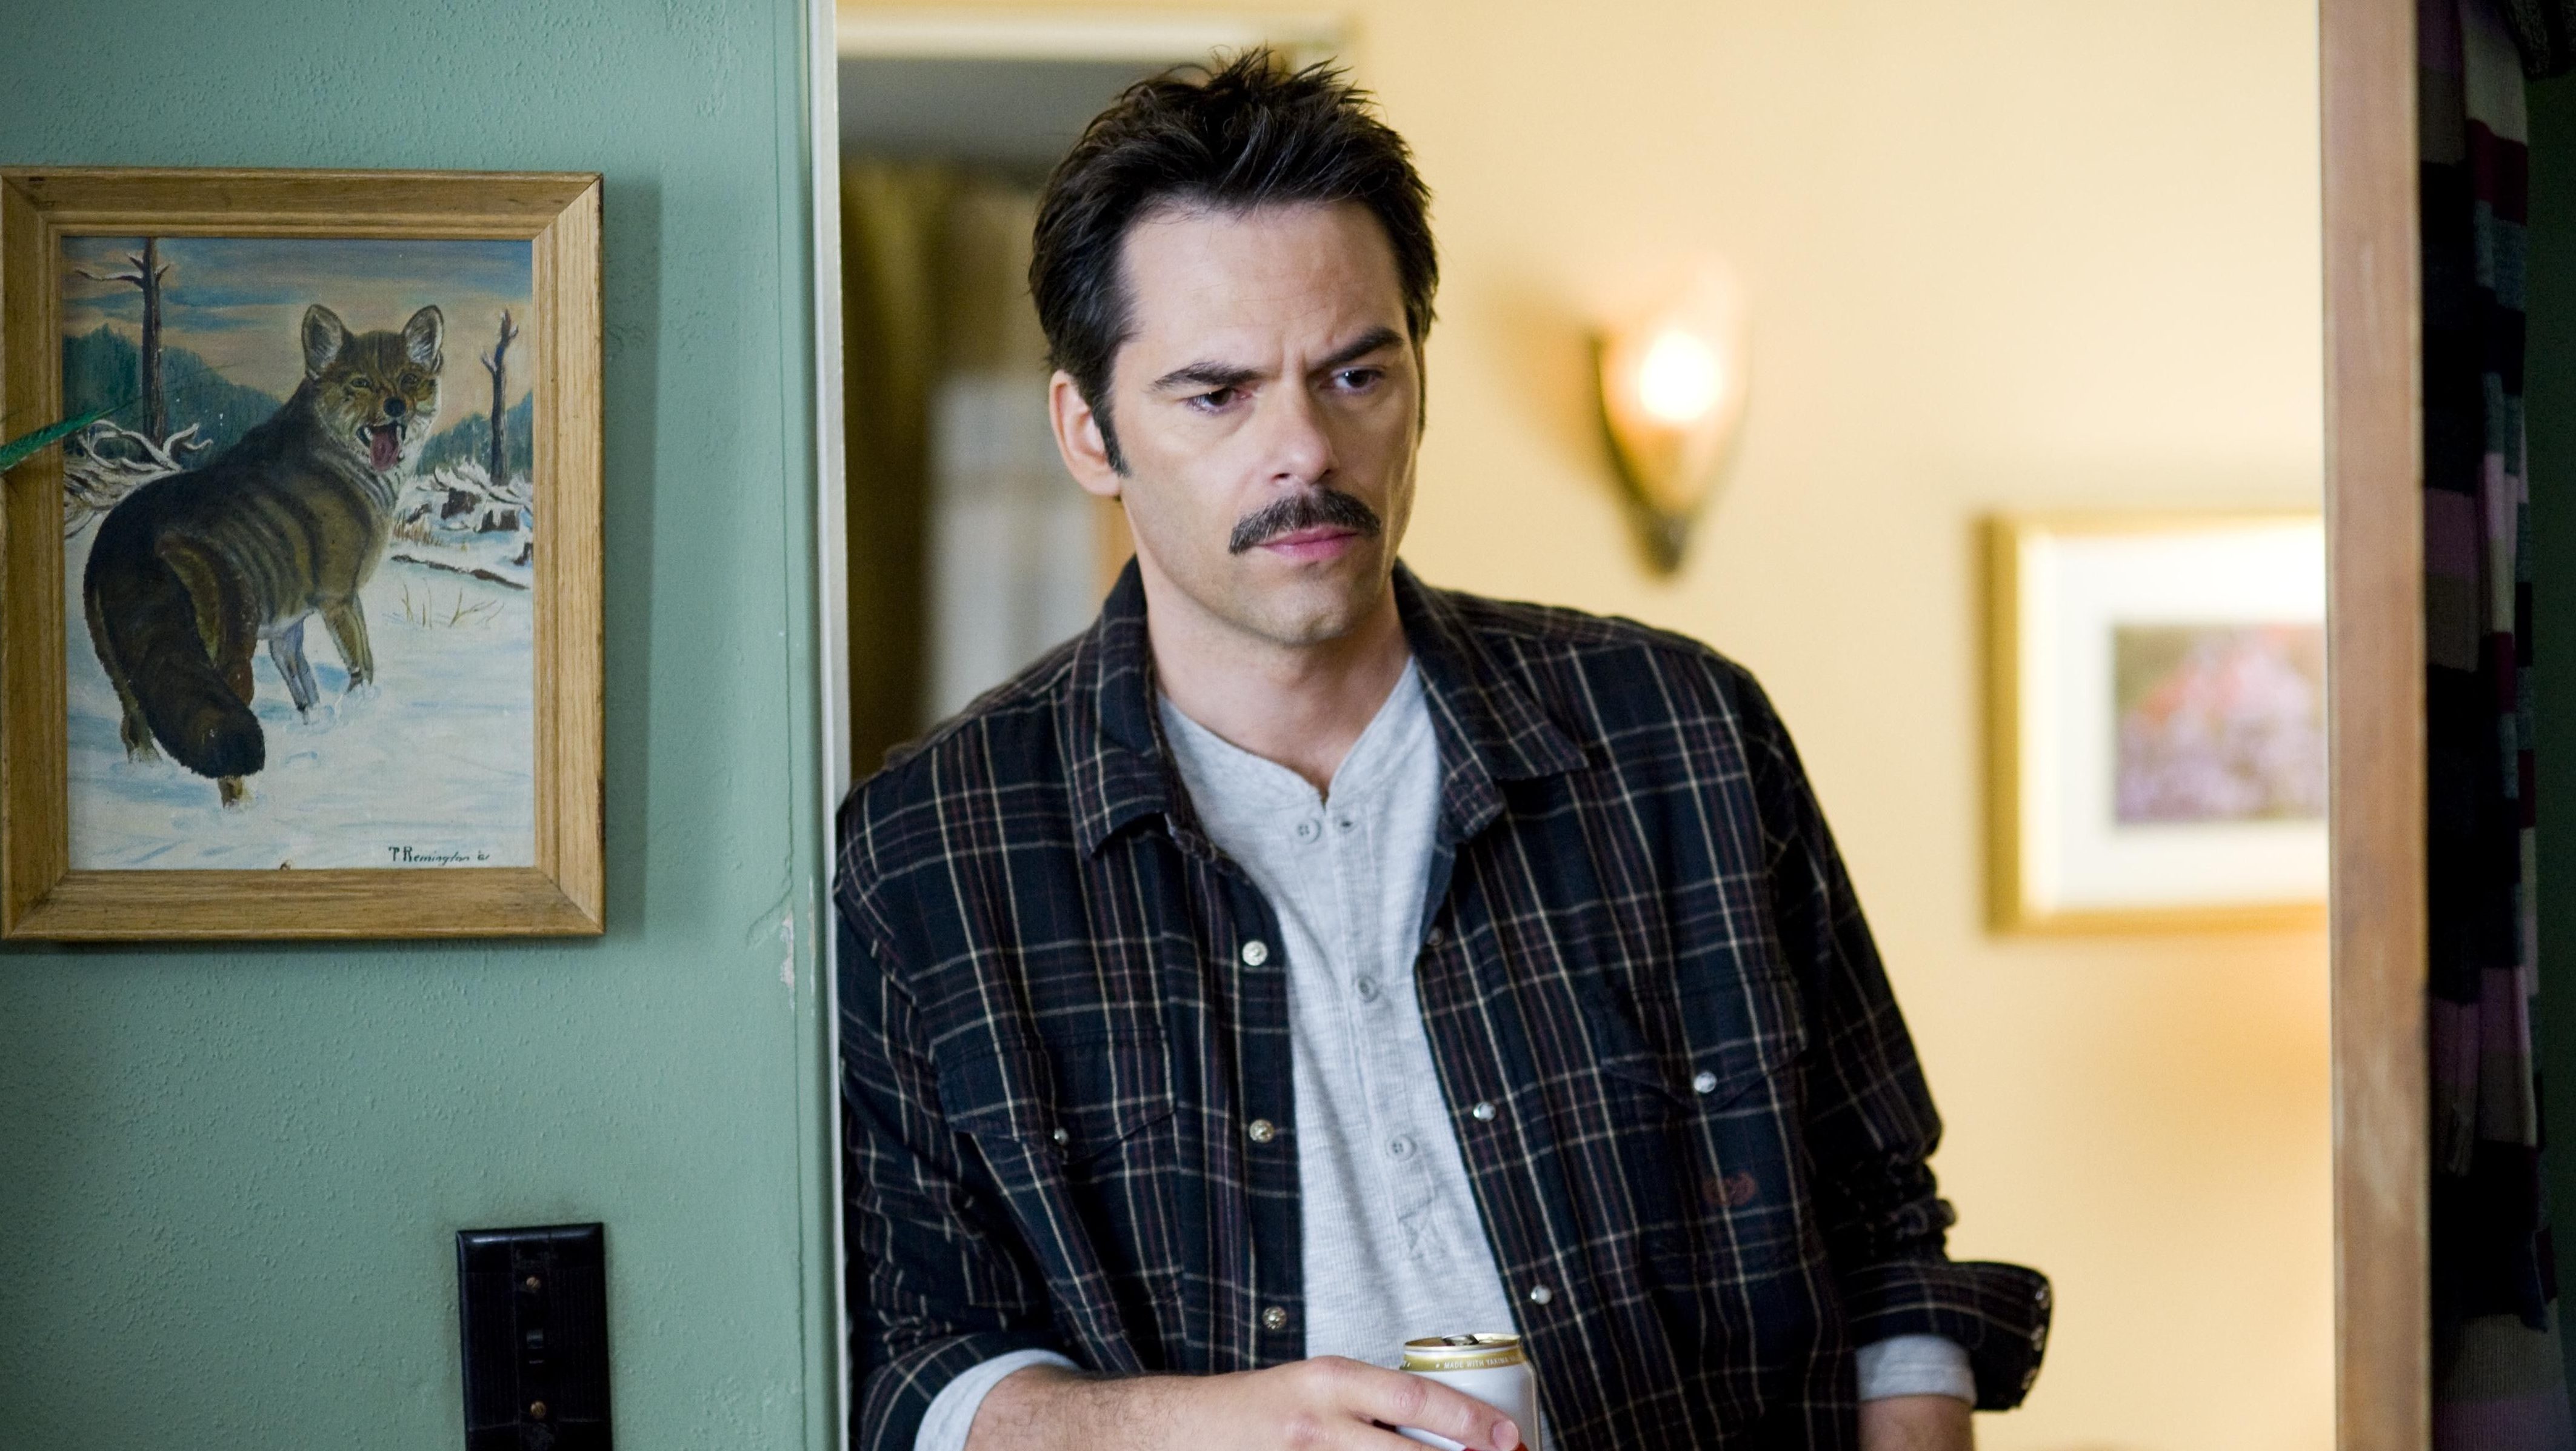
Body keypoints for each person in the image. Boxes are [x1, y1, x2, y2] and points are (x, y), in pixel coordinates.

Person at [834, 50, 2050, 1451]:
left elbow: (1884, 1232)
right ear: (1087, 431)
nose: (1305, 450)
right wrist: (1202, 1431)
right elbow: (911, 1365)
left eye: (1355, 373)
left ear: (1419, 381)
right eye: (1216, 396)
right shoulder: (927, 855)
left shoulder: (1683, 736)